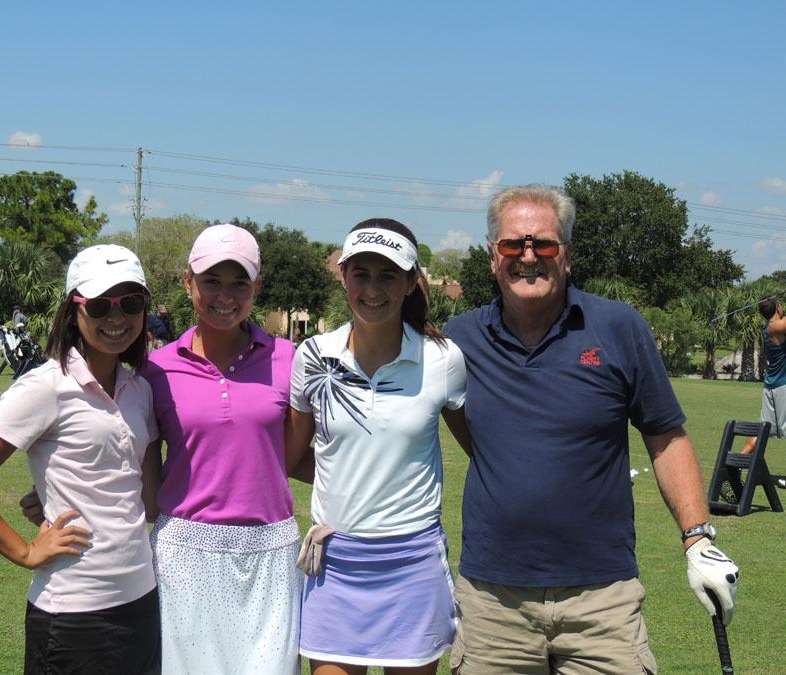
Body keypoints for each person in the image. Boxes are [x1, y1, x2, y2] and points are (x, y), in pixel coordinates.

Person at [443, 184, 739, 673]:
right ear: (493, 255)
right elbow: (450, 423)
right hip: (493, 602)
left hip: (603, 599)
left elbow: (666, 437)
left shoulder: (619, 327)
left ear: (569, 255)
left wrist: (698, 538)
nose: (529, 257)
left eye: (545, 244)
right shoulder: (459, 340)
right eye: (514, 245)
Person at [0, 244, 161, 674]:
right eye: (99, 306)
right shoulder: (46, 386)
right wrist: (25, 552)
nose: (116, 320)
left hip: (141, 599)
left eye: (130, 304)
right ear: (73, 310)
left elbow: (147, 500)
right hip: (74, 612)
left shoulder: (140, 390)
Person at [287, 218, 471, 675]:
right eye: (362, 274)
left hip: (412, 564)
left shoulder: (442, 358)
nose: (373, 289)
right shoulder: (312, 356)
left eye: (388, 275)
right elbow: (292, 456)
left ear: (411, 283)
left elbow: (480, 450)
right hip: (335, 562)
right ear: (343, 276)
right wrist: (354, 477)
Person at [142, 223, 303, 674]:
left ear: (258, 287)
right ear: (188, 282)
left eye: (240, 283)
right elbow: (124, 453)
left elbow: (313, 453)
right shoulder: (155, 368)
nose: (225, 296)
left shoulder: (290, 359)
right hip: (184, 550)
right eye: (212, 281)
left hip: (271, 547)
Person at [740, 296, 786, 454]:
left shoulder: (767, 329)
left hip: (771, 387)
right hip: (782, 387)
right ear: (778, 308)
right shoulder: (777, 326)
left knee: (762, 430)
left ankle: (736, 462)